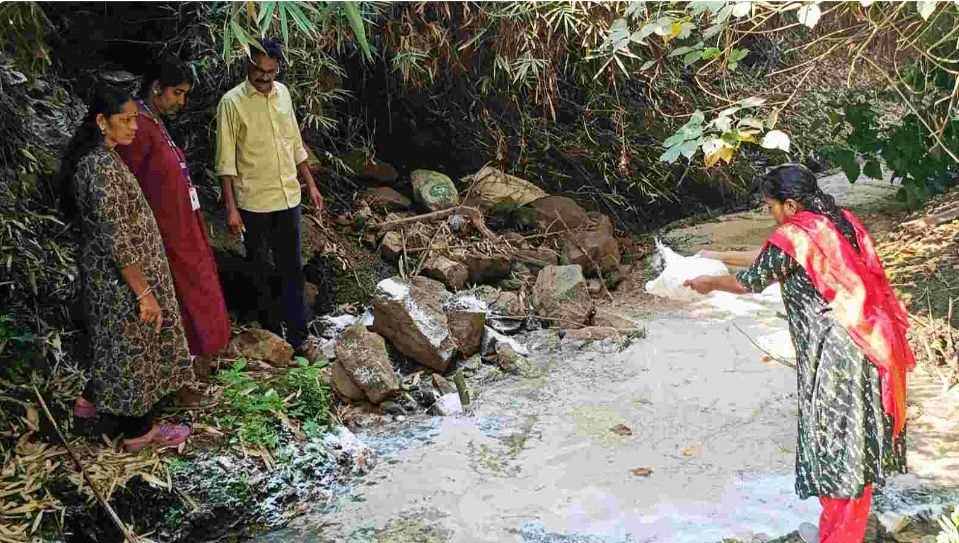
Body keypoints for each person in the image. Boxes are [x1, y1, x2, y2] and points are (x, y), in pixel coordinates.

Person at [685, 164, 914, 543]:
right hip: (870, 343)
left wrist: (709, 282)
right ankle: (844, 532)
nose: (770, 214)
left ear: (790, 204)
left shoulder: (796, 234)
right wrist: (713, 253)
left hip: (836, 354)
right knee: (854, 448)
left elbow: (751, 280)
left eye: (770, 207)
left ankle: (839, 537)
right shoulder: (839, 222)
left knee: (837, 450)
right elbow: (771, 256)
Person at [60, 85, 192, 452]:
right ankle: (140, 433)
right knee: (131, 352)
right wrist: (144, 293)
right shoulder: (98, 168)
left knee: (115, 349)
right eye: (126, 120)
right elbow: (117, 239)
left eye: (135, 118)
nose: (134, 126)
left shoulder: (104, 157)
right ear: (102, 121)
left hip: (121, 277)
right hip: (119, 282)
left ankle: (88, 408)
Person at [115, 55, 231, 399]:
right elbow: (129, 185)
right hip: (163, 233)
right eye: (177, 93)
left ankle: (199, 368)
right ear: (156, 88)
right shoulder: (138, 127)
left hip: (183, 224)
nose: (181, 101)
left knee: (200, 287)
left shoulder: (155, 122)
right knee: (182, 298)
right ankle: (181, 380)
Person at [215, 38, 325, 361]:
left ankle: (300, 339)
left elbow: (295, 144)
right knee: (261, 272)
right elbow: (226, 162)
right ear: (248, 65)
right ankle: (273, 340)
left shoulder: (284, 94)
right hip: (253, 204)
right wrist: (231, 209)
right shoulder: (231, 103)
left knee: (292, 270)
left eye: (271, 71)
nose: (264, 77)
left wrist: (311, 185)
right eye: (259, 70)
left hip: (288, 197)